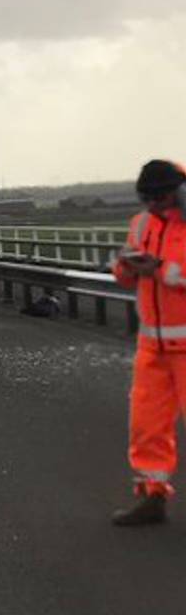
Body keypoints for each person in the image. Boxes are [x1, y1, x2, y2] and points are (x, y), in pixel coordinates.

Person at [111, 160, 186, 526]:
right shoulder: (140, 224)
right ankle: (151, 497)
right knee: (147, 427)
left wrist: (159, 268)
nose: (154, 205)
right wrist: (127, 266)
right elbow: (126, 279)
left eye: (162, 197)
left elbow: (178, 272)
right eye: (149, 198)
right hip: (153, 346)